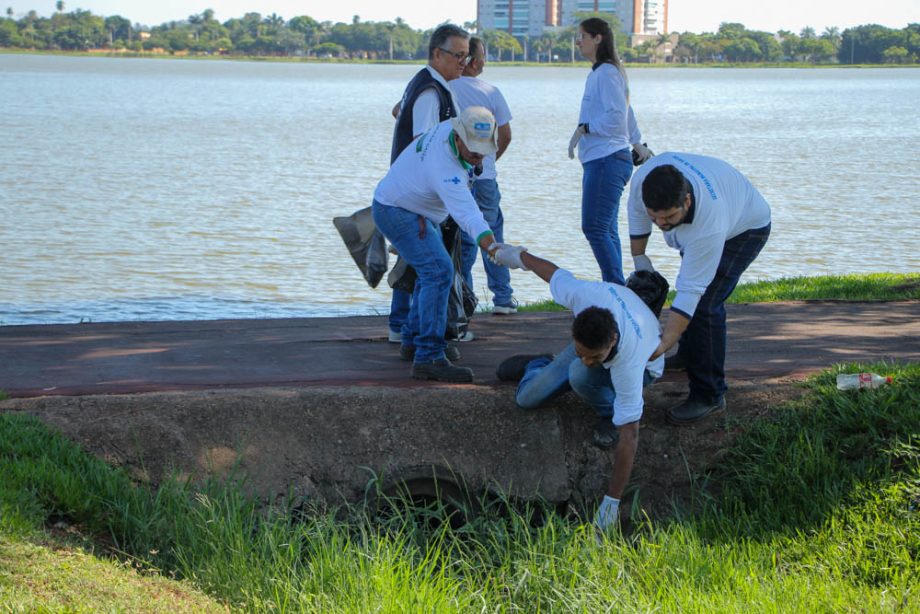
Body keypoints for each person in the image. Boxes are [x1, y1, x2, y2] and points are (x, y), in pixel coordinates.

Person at [490, 245, 664, 534]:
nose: (587, 360)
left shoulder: (630, 362)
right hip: (600, 338)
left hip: (646, 366)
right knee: (526, 398)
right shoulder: (583, 297)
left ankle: (607, 412)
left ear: (612, 340)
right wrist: (513, 255)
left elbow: (630, 435)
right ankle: (539, 365)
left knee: (580, 376)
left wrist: (611, 502)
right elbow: (552, 272)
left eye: (593, 357)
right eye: (581, 351)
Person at [627, 152, 772, 424]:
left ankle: (709, 394)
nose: (662, 225)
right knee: (694, 303)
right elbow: (636, 214)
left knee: (705, 305)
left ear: (687, 200)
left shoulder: (708, 226)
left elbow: (691, 292)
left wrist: (661, 345)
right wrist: (640, 259)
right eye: (655, 218)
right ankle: (689, 355)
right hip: (725, 206)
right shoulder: (644, 181)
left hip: (745, 229)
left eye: (668, 217)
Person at [373, 106, 510, 383]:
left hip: (408, 204)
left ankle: (413, 339)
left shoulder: (453, 125)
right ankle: (429, 356)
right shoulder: (446, 168)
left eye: (483, 149)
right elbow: (469, 216)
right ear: (458, 136)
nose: (477, 155)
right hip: (397, 209)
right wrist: (493, 247)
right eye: (473, 149)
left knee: (432, 271)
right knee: (438, 272)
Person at [387, 24, 472, 344]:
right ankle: (417, 334)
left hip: (415, 194)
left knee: (418, 261)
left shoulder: (428, 84)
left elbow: (397, 111)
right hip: (420, 198)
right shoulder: (429, 92)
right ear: (437, 54)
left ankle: (407, 328)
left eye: (466, 55)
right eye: (457, 55)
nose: (463, 62)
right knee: (431, 267)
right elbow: (424, 147)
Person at [568, 17, 652, 286]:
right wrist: (637, 141)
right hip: (602, 159)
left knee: (593, 226)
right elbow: (626, 111)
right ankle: (618, 289)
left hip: (606, 159)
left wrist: (585, 128)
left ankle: (615, 290)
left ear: (598, 39)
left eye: (582, 36)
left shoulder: (606, 72)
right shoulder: (602, 72)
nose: (578, 41)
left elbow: (616, 118)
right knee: (606, 228)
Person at [450, 36, 518, 315]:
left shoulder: (445, 87)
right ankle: (502, 299)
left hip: (456, 175)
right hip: (486, 177)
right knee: (493, 236)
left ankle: (464, 301)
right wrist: (489, 160)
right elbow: (506, 135)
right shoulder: (491, 91)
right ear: (475, 62)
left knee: (465, 241)